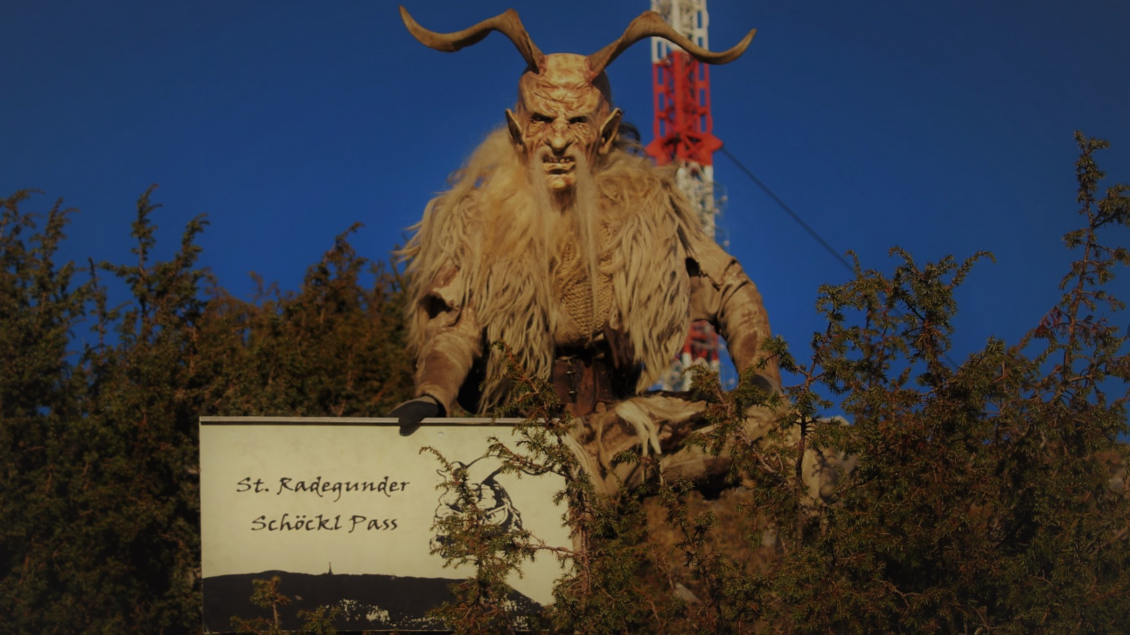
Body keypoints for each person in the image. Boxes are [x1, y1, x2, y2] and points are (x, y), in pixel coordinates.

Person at [390, 7, 838, 498]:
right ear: (518, 127)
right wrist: (433, 397)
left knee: (792, 446)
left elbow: (729, 286)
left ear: (605, 133)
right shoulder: (481, 221)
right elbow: (456, 325)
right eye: (542, 118)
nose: (558, 139)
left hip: (624, 434)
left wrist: (760, 381)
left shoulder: (646, 218)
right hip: (521, 438)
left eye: (576, 121)